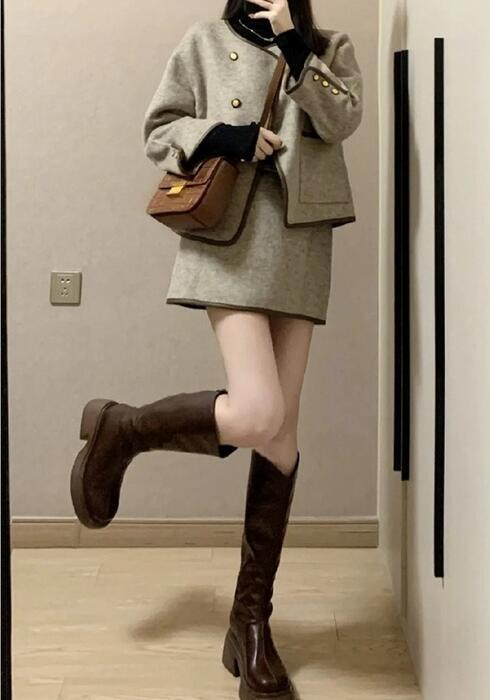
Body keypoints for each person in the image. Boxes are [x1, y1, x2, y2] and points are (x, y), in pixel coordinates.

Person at [68, 2, 363, 698]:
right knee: (258, 412)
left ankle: (249, 623)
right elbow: (160, 128)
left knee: (280, 439)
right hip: (228, 242)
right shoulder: (205, 42)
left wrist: (294, 44)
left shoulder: (328, 45)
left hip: (301, 244)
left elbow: (341, 120)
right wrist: (226, 136)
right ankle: (124, 430)